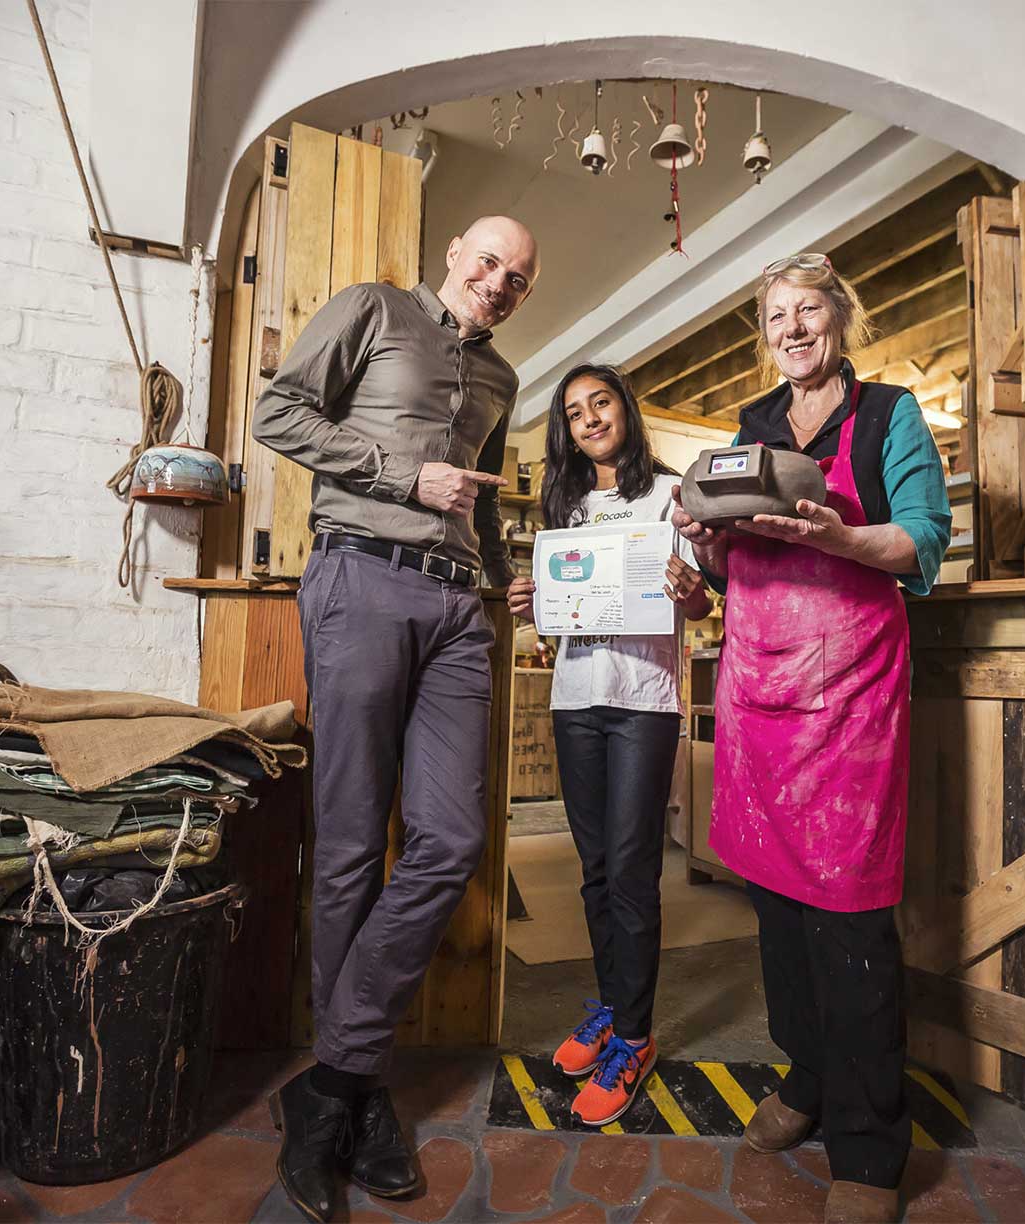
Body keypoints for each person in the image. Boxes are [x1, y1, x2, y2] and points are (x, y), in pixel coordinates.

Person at [251, 215, 540, 1224]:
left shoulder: (502, 378)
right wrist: (403, 475)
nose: (498, 282)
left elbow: (482, 503)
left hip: (458, 609)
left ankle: (330, 1081)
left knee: (450, 839)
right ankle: (361, 1090)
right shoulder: (372, 310)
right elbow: (277, 413)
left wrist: (504, 585)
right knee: (346, 845)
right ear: (456, 253)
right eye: (489, 262)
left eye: (518, 279)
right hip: (360, 577)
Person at [671, 253, 950, 1224]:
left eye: (807, 310)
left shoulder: (888, 416)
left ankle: (869, 1148)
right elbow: (730, 557)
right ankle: (809, 1077)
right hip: (759, 690)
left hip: (850, 701)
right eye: (775, 316)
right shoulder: (749, 428)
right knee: (777, 908)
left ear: (840, 315)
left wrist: (838, 537)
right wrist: (705, 550)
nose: (792, 328)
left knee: (849, 917)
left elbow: (922, 537)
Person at [505, 364, 710, 1127]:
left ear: (626, 409)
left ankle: (634, 1036)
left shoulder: (671, 495)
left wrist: (691, 591)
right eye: (575, 412)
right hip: (575, 700)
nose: (590, 419)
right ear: (566, 429)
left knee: (630, 870)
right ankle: (613, 1005)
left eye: (601, 403)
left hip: (643, 702)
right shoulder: (563, 504)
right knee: (593, 869)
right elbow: (558, 613)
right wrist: (531, 602)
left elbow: (700, 598)